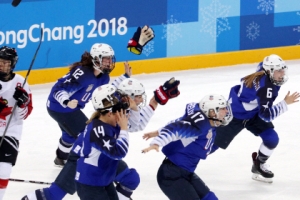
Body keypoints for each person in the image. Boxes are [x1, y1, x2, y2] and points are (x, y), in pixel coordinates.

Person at [21, 76, 181, 200]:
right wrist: (149, 104)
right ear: (127, 97)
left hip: (103, 153)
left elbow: (136, 124)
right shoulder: (112, 110)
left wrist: (155, 100)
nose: (140, 100)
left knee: (131, 178)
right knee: (55, 194)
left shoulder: (117, 106)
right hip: (84, 157)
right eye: (137, 97)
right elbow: (131, 130)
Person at [213, 54, 300, 183]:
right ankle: (179, 160)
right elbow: (266, 116)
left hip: (253, 113)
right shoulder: (266, 89)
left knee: (272, 139)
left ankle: (258, 165)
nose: (282, 74)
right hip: (234, 116)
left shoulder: (264, 70)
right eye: (279, 71)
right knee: (210, 145)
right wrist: (284, 103)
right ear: (270, 71)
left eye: (283, 70)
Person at [46, 43, 132, 167]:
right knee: (86, 132)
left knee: (69, 133)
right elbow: (58, 91)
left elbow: (104, 90)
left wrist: (124, 77)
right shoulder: (83, 75)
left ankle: (61, 158)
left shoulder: (104, 77)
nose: (109, 62)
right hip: (60, 107)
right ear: (96, 59)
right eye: (106, 59)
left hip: (70, 109)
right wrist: (66, 102)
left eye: (110, 59)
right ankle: (75, 165)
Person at [142, 94, 233, 200]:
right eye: (223, 108)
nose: (226, 111)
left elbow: (179, 121)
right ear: (212, 112)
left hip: (185, 173)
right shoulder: (200, 125)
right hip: (171, 176)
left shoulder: (208, 124)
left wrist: (158, 132)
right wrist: (157, 143)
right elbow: (175, 130)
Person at [0, 46, 33, 199]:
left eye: (6, 62)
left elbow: (23, 116)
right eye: (0, 61)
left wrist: (22, 103)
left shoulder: (22, 83)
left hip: (10, 131)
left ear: (12, 64)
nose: (1, 65)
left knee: (4, 169)